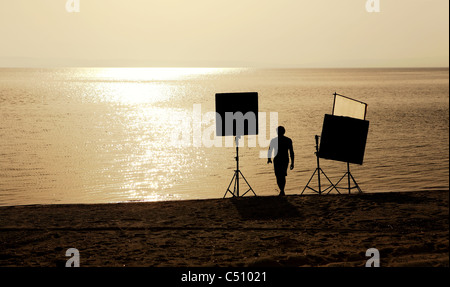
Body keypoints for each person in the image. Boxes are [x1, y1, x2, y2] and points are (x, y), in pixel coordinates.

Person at [267, 126, 294, 196]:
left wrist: (269, 159)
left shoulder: (275, 140)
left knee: (279, 175)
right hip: (283, 159)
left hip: (279, 159)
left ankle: (282, 190)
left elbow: (270, 150)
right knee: (281, 175)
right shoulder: (288, 140)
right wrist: (292, 162)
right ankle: (282, 190)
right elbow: (291, 152)